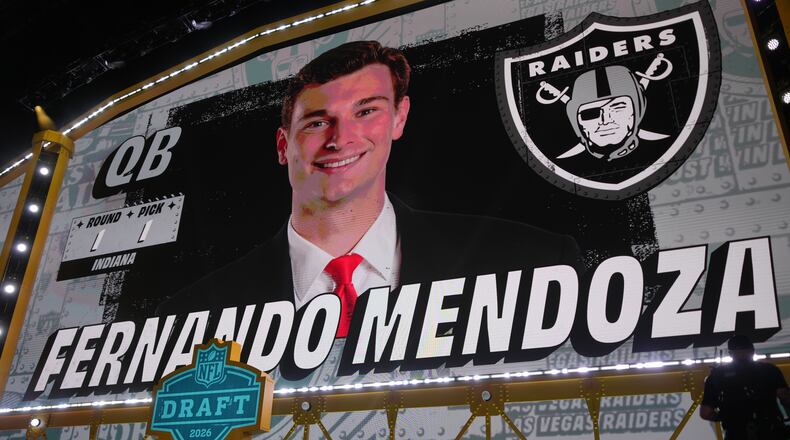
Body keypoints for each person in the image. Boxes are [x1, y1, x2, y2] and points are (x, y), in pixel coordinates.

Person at [157, 41, 582, 330]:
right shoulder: (188, 314)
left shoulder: (533, 263)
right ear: (283, 145)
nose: (340, 139)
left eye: (366, 111)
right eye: (318, 122)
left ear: (399, 117)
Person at [700, 335, 790, 439]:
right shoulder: (769, 369)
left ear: (730, 353)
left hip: (735, 433)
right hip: (770, 430)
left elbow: (705, 413)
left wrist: (726, 417)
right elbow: (785, 397)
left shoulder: (716, 375)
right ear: (752, 350)